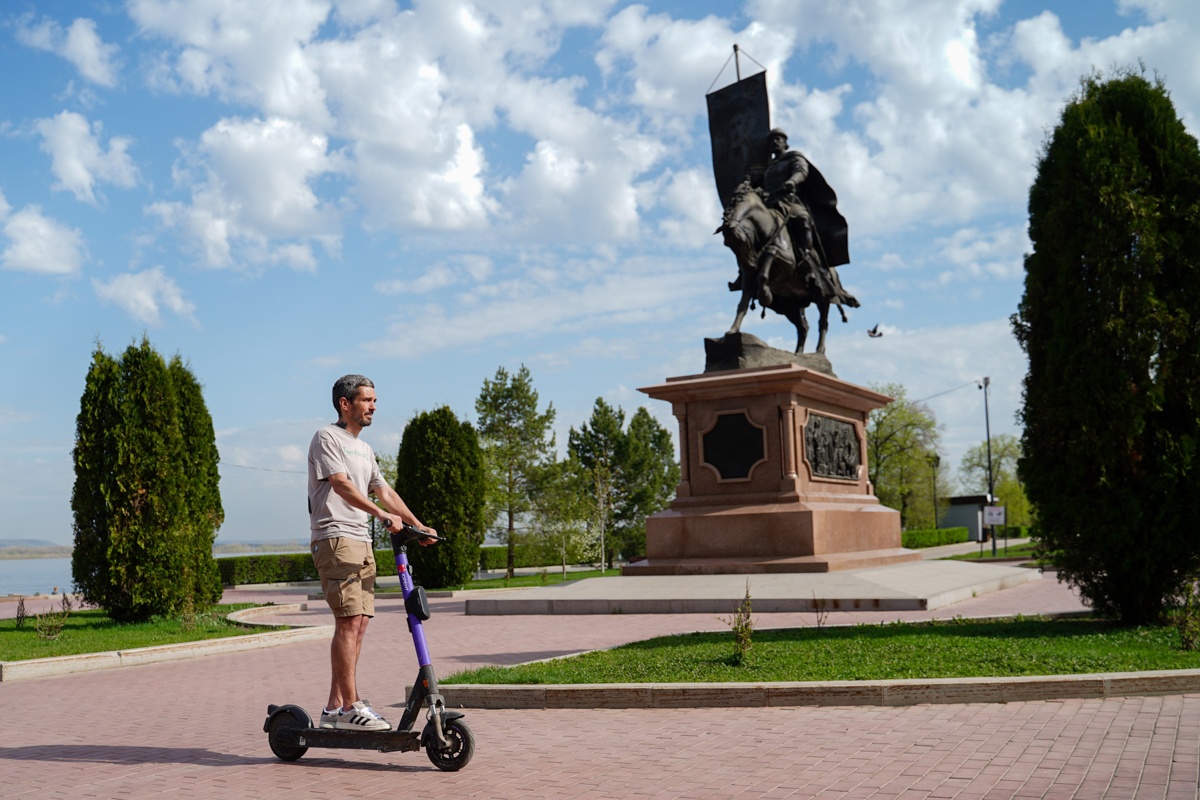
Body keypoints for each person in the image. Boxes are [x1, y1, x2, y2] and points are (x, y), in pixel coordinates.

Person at [308, 374, 435, 731]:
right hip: (335, 537)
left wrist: (418, 525)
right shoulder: (326, 437)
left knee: (358, 625)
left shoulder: (364, 449)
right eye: (366, 400)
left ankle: (334, 709)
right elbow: (341, 483)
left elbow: (385, 491)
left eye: (375, 400)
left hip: (360, 541)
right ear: (345, 404)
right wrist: (379, 514)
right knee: (348, 622)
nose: (373, 406)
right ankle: (350, 706)